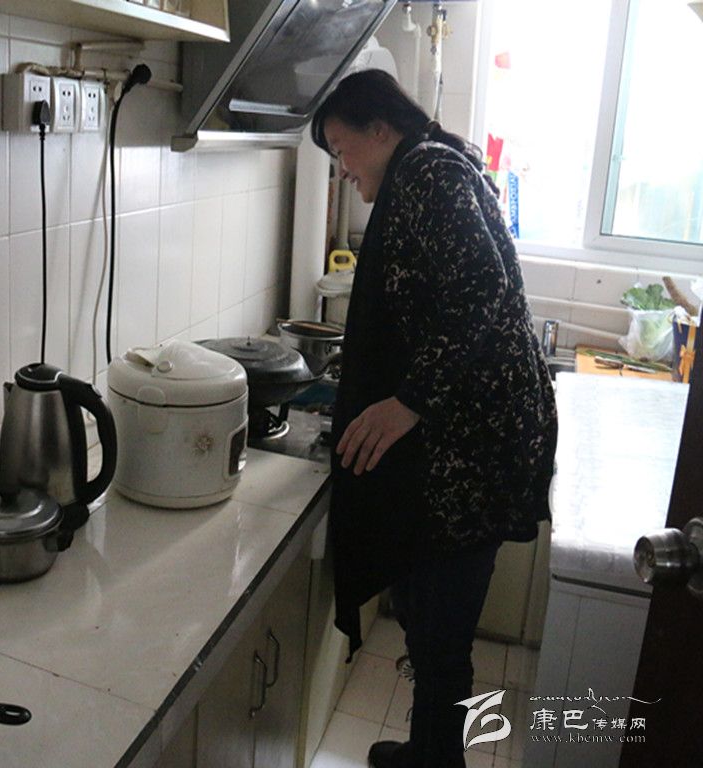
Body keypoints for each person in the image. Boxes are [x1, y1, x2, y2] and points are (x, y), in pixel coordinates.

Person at [310, 69, 557, 768]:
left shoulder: (426, 175)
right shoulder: (430, 167)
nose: (341, 168)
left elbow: (481, 287)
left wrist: (407, 401)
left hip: (478, 447)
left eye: (342, 148)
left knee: (440, 630)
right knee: (426, 618)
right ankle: (428, 751)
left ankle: (438, 761)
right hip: (468, 440)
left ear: (380, 128)